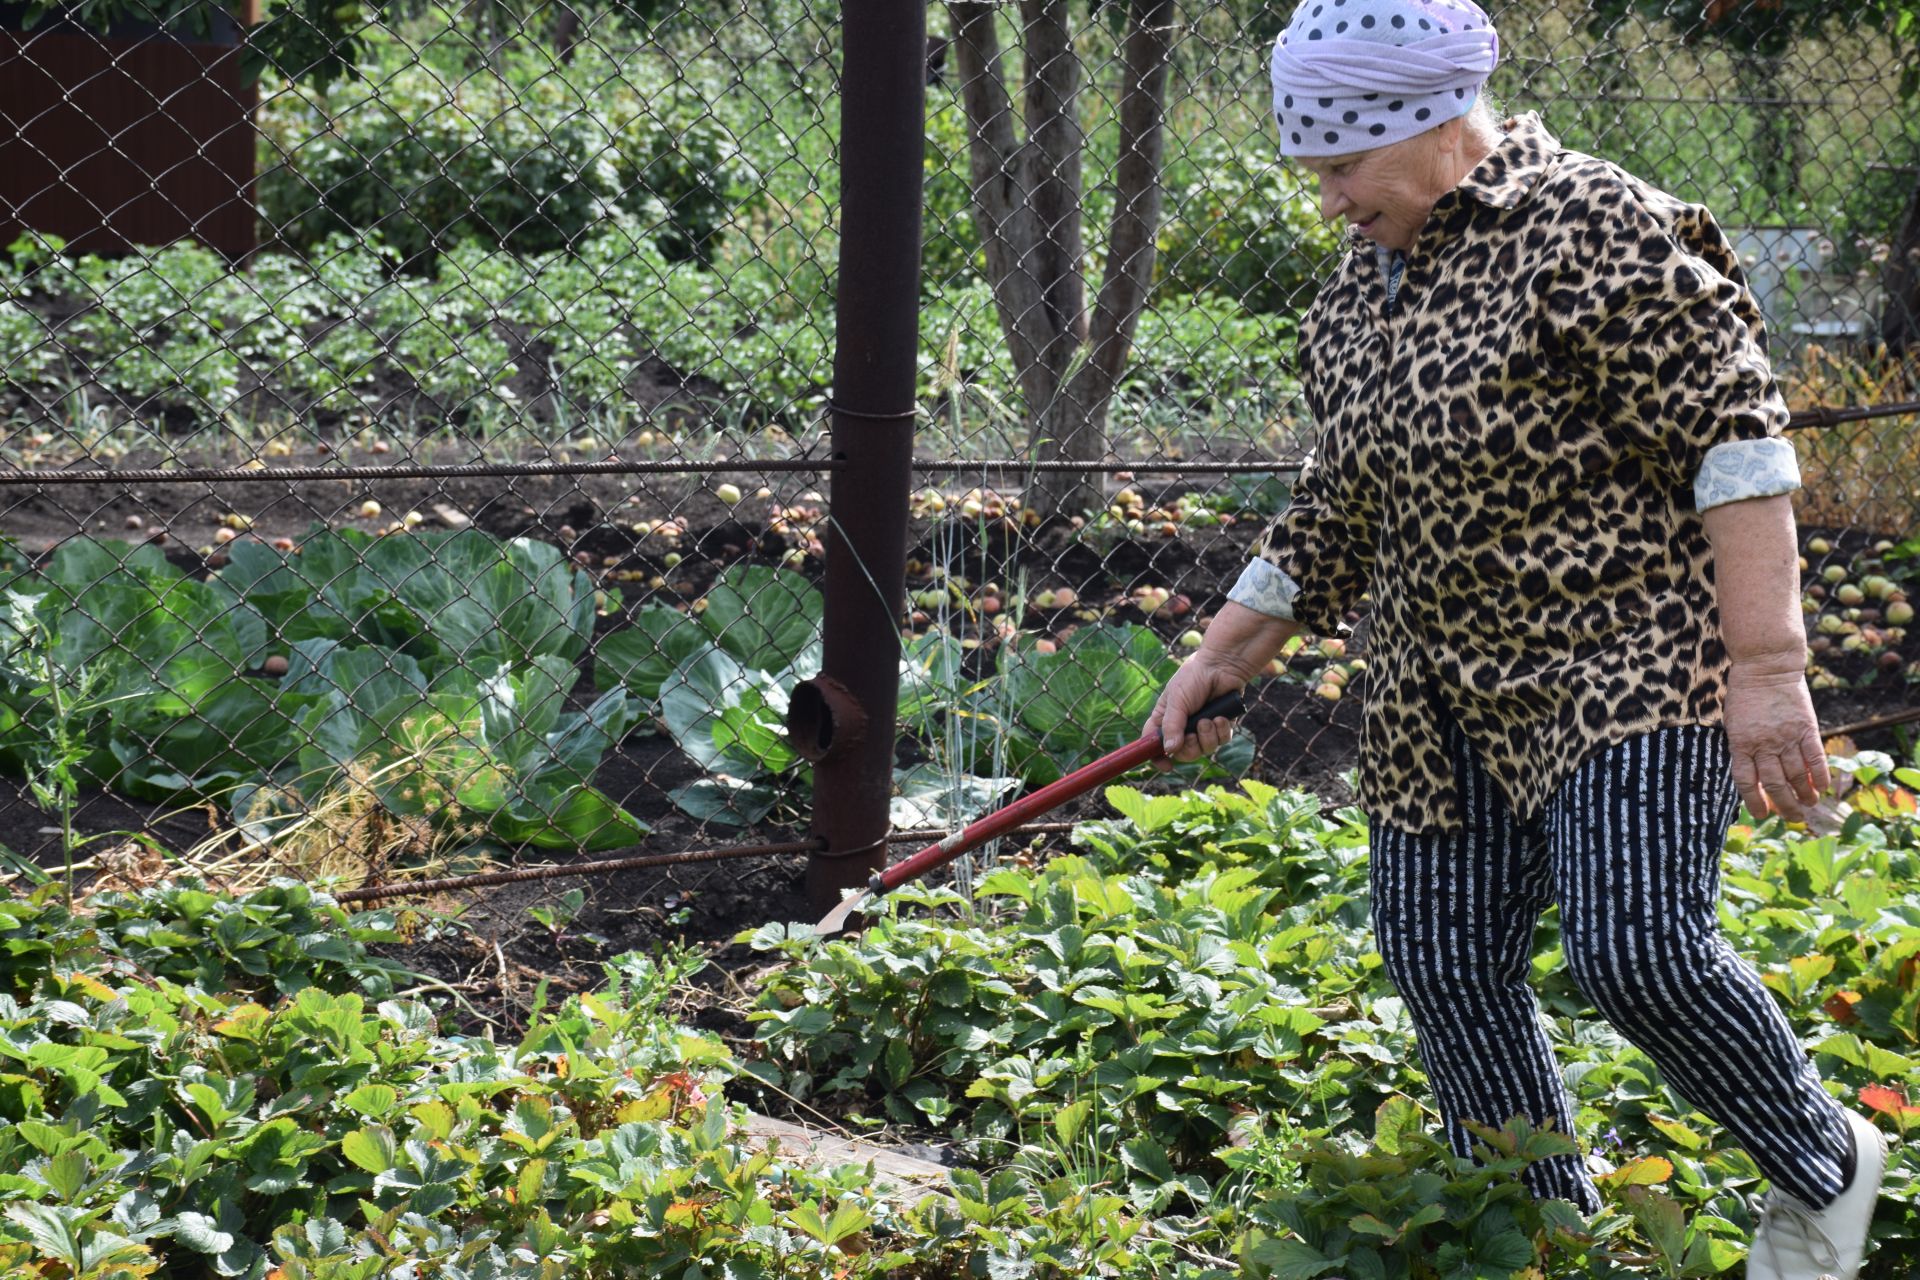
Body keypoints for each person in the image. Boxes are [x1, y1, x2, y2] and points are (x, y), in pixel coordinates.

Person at [1142, 1, 1887, 1276]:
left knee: (1637, 946)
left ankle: (1827, 1167)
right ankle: (1547, 1224)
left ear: (1433, 127)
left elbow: (1738, 441)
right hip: (1440, 689)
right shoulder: (1359, 290)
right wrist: (1224, 650)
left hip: (1628, 662)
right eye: (1311, 172)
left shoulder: (1595, 228)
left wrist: (1767, 668)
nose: (1326, 203)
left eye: (1341, 168)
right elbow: (1341, 499)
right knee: (1443, 960)